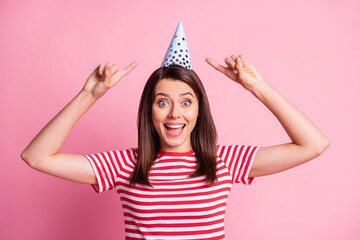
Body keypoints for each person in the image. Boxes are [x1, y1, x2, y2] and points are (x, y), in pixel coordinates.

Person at [21, 23, 329, 240]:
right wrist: (89, 94)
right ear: (149, 110)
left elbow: (314, 144)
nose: (175, 114)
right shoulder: (125, 165)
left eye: (186, 102)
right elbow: (36, 157)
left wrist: (257, 87)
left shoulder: (225, 161)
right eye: (162, 102)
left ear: (199, 110)